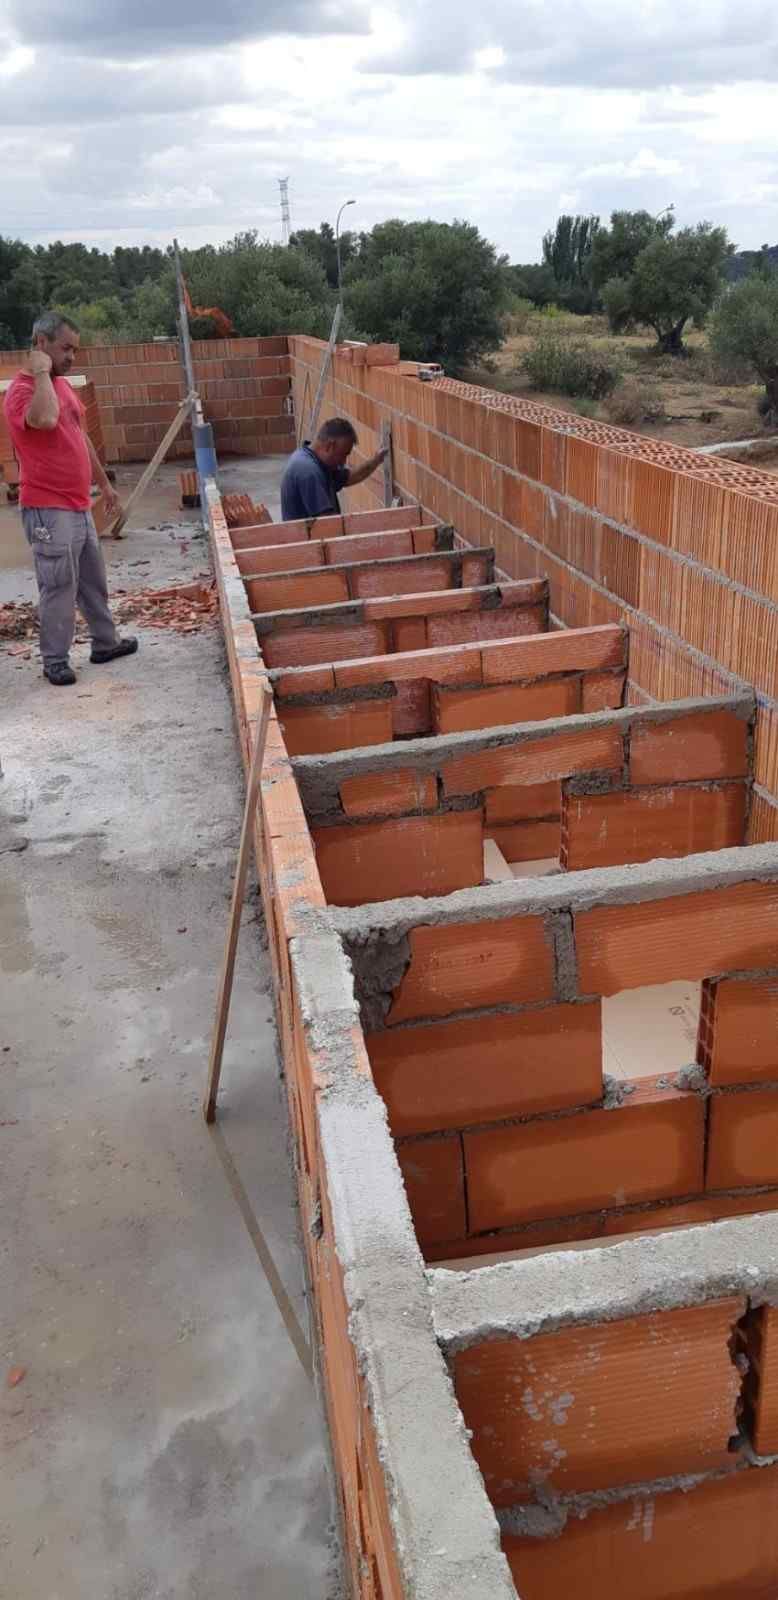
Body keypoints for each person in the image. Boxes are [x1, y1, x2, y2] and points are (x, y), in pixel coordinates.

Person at [3, 312, 137, 687]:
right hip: (47, 508)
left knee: (92, 580)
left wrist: (104, 486)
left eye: (74, 350)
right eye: (65, 348)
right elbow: (44, 420)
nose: (72, 357)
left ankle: (105, 643)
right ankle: (55, 660)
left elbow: (80, 437)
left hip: (77, 504)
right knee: (59, 585)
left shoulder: (62, 386)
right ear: (41, 345)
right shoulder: (22, 392)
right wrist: (42, 372)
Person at [280, 417, 387, 522]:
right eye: (343, 455)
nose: (344, 461)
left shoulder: (314, 460)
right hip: (309, 539)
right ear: (329, 446)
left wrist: (376, 460)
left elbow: (351, 477)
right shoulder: (309, 472)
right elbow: (329, 524)